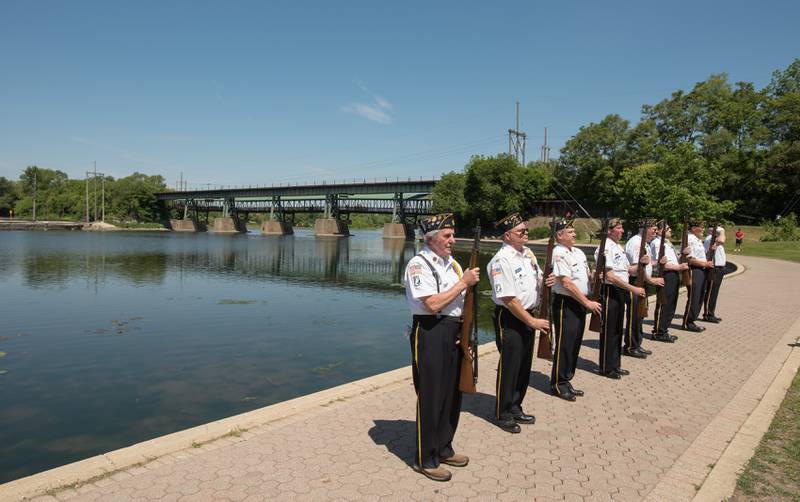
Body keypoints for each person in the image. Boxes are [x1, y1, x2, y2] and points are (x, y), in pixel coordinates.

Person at [403, 213, 480, 482]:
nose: (452, 240)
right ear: (432, 239)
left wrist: (466, 333)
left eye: (452, 235)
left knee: (451, 395)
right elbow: (432, 304)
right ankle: (424, 459)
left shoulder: (454, 264)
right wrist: (464, 283)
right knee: (431, 396)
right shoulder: (419, 264)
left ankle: (444, 448)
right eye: (447, 236)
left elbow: (463, 304)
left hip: (453, 331)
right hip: (430, 331)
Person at [487, 212, 550, 434]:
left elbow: (537, 278)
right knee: (510, 366)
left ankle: (515, 406)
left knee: (523, 366)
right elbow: (508, 299)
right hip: (512, 317)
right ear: (507, 235)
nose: (526, 233)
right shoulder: (501, 260)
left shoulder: (527, 255)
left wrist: (546, 281)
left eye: (526, 230)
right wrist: (531, 321)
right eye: (521, 231)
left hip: (528, 316)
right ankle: (502, 412)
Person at [550, 219, 601, 400]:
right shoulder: (559, 253)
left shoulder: (578, 252)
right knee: (565, 344)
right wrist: (587, 303)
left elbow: (581, 276)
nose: (574, 234)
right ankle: (558, 383)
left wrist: (593, 275)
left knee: (574, 344)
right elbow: (566, 283)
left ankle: (567, 379)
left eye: (573, 231)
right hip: (567, 303)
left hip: (579, 301)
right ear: (559, 235)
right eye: (569, 231)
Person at [595, 218, 645, 379]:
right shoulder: (605, 248)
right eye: (618, 228)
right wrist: (633, 289)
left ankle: (615, 364)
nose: (622, 231)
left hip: (620, 291)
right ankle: (606, 367)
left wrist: (641, 264)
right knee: (609, 331)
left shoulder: (618, 247)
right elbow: (610, 276)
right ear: (609, 230)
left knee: (617, 330)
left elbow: (627, 270)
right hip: (610, 291)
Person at [622, 219, 664, 358]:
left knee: (639, 314)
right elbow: (636, 268)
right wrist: (651, 280)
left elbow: (645, 264)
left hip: (641, 281)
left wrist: (657, 262)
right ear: (644, 229)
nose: (656, 231)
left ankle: (636, 344)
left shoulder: (644, 243)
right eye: (653, 228)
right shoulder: (636, 243)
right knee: (634, 315)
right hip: (635, 282)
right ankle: (630, 346)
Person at [650, 221, 688, 342]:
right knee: (664, 303)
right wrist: (678, 267)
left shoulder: (667, 243)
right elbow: (660, 264)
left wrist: (683, 254)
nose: (670, 229)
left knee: (671, 303)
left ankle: (664, 329)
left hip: (673, 275)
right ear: (660, 231)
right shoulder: (657, 243)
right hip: (666, 275)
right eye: (667, 228)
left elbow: (673, 259)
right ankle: (658, 331)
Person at [681, 220, 712, 332]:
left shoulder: (697, 239)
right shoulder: (690, 239)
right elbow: (690, 259)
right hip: (695, 270)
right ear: (694, 229)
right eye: (701, 227)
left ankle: (692, 321)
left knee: (700, 295)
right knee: (694, 296)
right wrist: (705, 264)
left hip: (701, 269)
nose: (703, 229)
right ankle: (687, 322)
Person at [702, 225, 726, 323]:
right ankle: (708, 314)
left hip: (718, 268)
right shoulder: (710, 239)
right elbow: (723, 240)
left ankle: (711, 312)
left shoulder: (714, 238)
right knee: (711, 292)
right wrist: (722, 231)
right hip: (714, 268)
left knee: (714, 292)